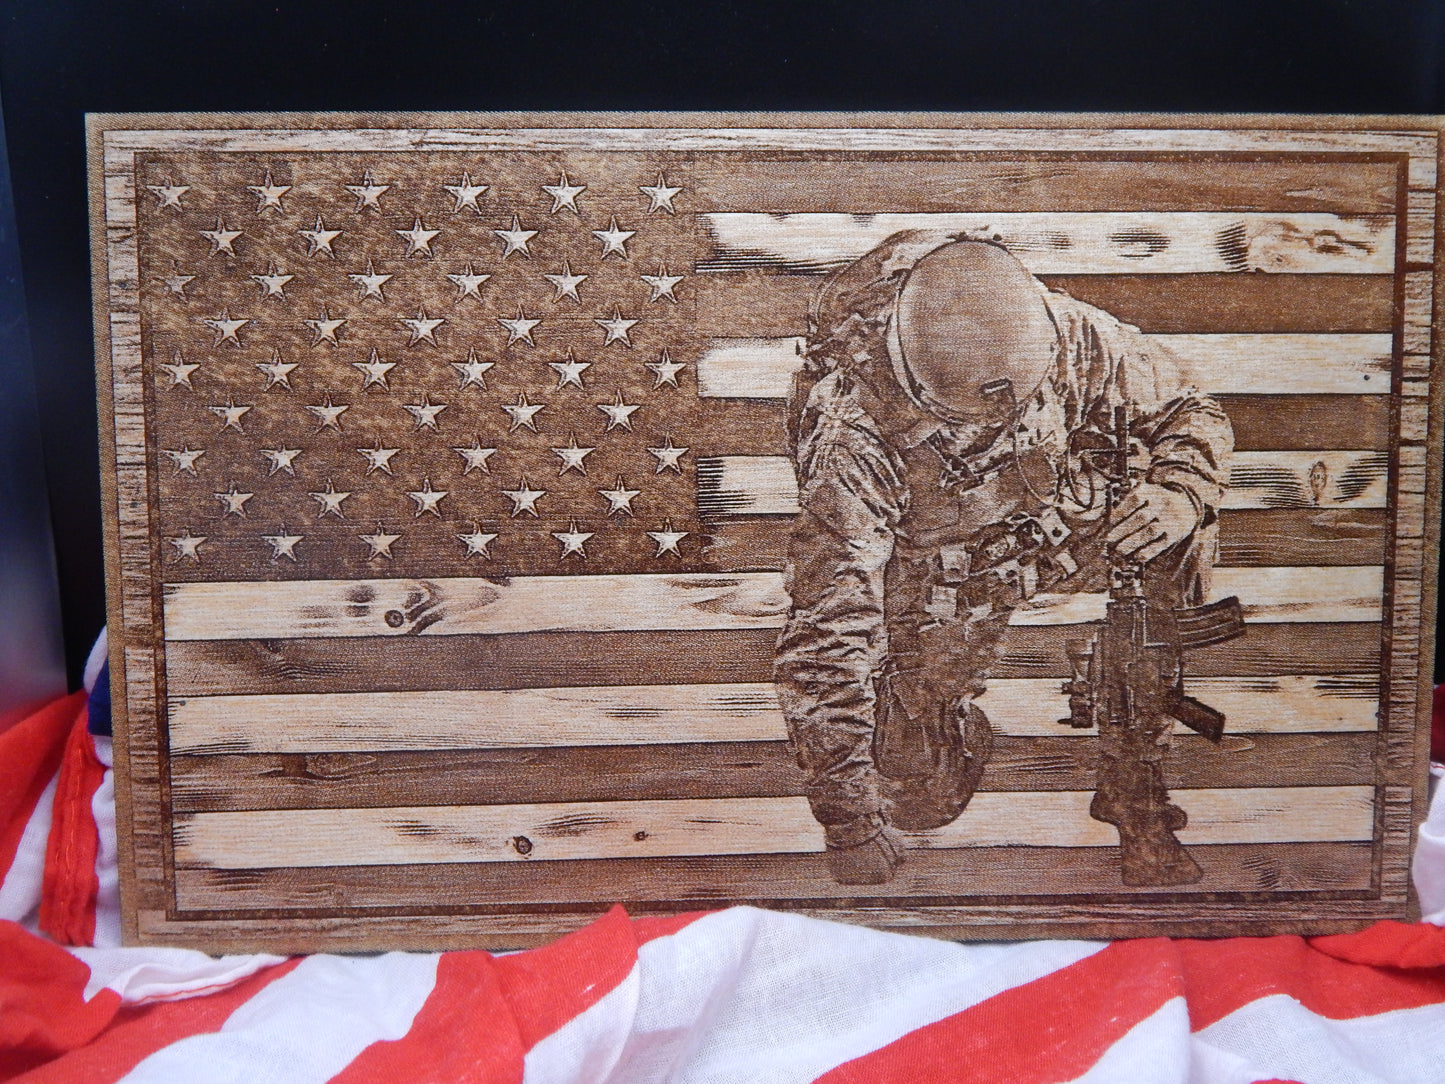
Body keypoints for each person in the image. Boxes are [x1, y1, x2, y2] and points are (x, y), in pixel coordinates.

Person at [773, 232, 1233, 885]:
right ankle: (942, 713)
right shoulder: (851, 433)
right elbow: (825, 637)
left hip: (1060, 521)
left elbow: (1189, 407)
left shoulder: (1070, 333)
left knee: (1179, 525)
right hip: (939, 570)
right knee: (919, 798)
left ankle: (1133, 771)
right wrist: (847, 823)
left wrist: (1178, 490)